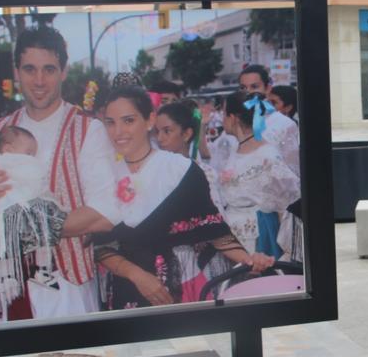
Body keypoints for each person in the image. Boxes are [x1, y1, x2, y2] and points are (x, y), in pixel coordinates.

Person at [0, 26, 122, 321]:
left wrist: (30, 230)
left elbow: (104, 214)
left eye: (49, 69)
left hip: (67, 285)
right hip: (9, 284)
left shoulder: (88, 130)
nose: (39, 81)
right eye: (29, 69)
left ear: (63, 72)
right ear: (17, 72)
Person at [93, 87, 274, 308]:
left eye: (128, 120)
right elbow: (99, 246)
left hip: (178, 289)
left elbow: (215, 231)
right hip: (125, 289)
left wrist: (249, 260)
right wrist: (137, 276)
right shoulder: (102, 175)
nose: (118, 131)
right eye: (110, 122)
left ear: (149, 120)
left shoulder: (179, 169)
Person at [0, 125, 70, 321]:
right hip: (14, 217)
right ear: (8, 150)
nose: (32, 157)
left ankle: (14, 279)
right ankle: (37, 273)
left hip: (8, 221)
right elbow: (34, 180)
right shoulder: (11, 163)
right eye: (29, 152)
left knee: (9, 255)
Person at [214, 91, 301, 259]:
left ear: (233, 117)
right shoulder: (236, 149)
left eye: (224, 113)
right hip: (233, 237)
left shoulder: (267, 155)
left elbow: (290, 198)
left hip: (258, 238)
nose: (222, 118)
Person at [238, 65, 300, 177]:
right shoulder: (236, 120)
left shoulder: (284, 124)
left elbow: (293, 168)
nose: (248, 92)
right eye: (243, 88)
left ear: (268, 88)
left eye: (254, 86)